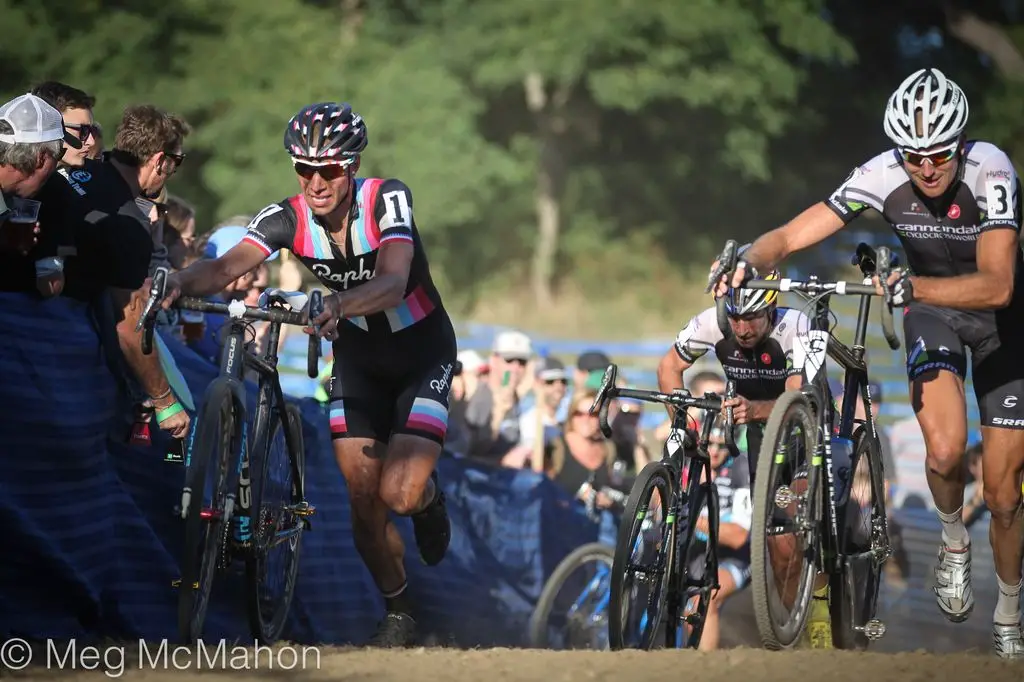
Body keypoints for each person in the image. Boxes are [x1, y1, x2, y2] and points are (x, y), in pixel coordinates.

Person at [714, 68, 1024, 658]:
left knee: (1006, 493)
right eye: (913, 157)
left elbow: (999, 284)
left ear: (959, 145)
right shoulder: (881, 173)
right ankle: (953, 540)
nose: (926, 169)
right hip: (929, 311)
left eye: (937, 155)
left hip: (1003, 325)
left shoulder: (992, 168)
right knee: (944, 450)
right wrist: (750, 259)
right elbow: (792, 232)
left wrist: (913, 289)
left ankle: (1010, 606)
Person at [157, 102, 455, 647]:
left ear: (352, 166)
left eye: (330, 169)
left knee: (402, 494)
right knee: (363, 497)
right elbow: (225, 267)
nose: (316, 181)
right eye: (304, 168)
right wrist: (178, 281)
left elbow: (392, 281)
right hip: (360, 363)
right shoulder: (285, 217)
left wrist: (338, 303)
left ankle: (430, 501)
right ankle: (399, 608)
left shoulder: (386, 199)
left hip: (421, 354)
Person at [656, 267, 829, 646]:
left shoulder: (794, 325)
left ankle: (822, 608)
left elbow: (797, 397)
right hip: (760, 435)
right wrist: (683, 424)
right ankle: (797, 633)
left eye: (752, 319)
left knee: (796, 516)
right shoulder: (712, 324)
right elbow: (669, 367)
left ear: (771, 310)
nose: (743, 329)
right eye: (735, 318)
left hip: (804, 430)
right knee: (779, 548)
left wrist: (754, 410)